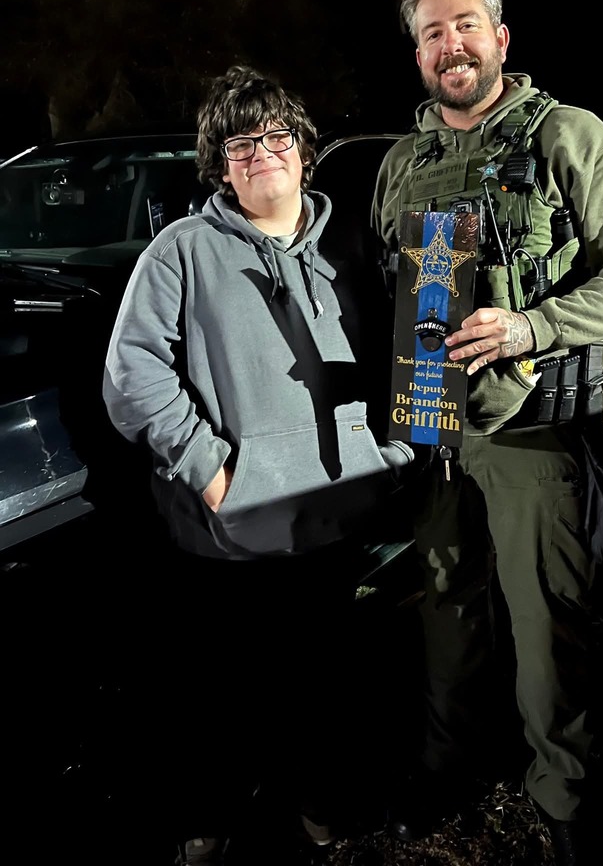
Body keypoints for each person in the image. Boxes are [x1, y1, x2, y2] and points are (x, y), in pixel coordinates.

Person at [371, 0, 603, 864]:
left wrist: (535, 325)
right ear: (419, 55)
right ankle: (448, 766)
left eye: (465, 25)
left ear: (500, 38)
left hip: (531, 429)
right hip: (433, 433)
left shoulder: (567, 136)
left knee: (548, 627)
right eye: (432, 32)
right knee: (444, 610)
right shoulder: (400, 163)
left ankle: (568, 799)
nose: (450, 44)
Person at [103, 65, 413, 865]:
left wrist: (392, 453)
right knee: (217, 690)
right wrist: (213, 472)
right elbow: (133, 374)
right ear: (219, 163)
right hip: (228, 530)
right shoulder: (182, 252)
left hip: (335, 519)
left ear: (305, 151)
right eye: (241, 143)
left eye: (277, 137)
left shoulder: (355, 246)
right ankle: (208, 814)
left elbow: (415, 351)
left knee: (324, 680)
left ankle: (319, 804)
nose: (262, 153)